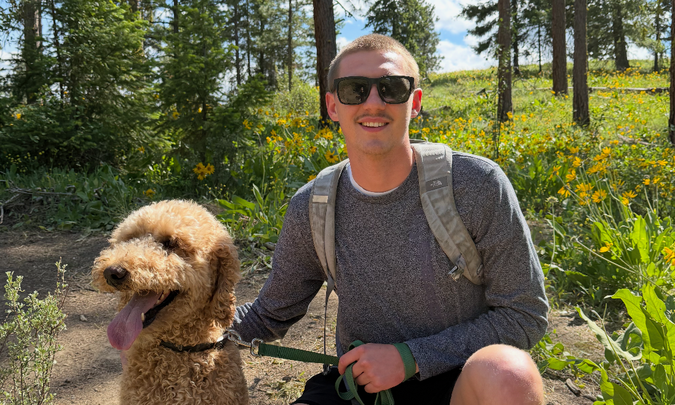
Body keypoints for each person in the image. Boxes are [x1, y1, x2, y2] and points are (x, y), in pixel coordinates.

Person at [232, 34, 549, 405]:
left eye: (392, 88)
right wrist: (176, 322)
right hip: (358, 386)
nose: (373, 102)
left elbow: (524, 313)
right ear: (332, 105)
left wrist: (411, 358)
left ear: (414, 102)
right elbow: (268, 315)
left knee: (509, 373)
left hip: (460, 381)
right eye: (354, 89)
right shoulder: (313, 206)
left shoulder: (475, 185)